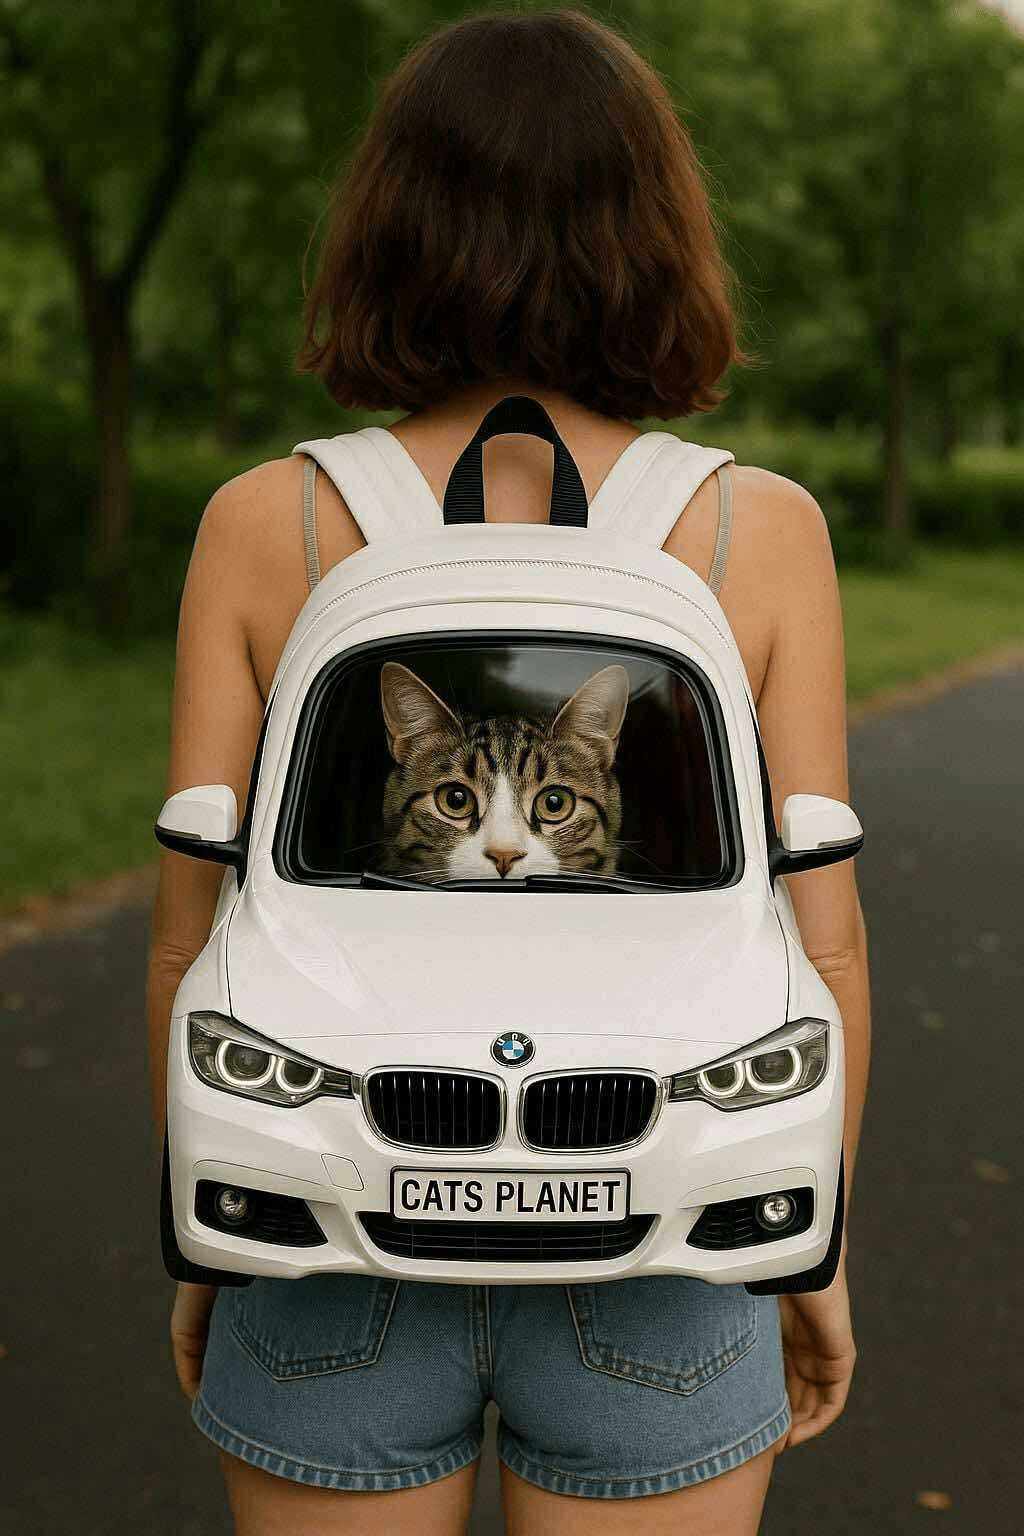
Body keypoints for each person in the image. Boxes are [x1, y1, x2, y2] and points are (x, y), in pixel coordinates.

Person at [145, 7, 869, 1533]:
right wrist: (807, 1254)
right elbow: (824, 941)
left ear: (391, 230)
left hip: (333, 1217)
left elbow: (191, 936)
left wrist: (208, 1239)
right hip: (666, 1234)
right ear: (658, 235)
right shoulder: (764, 534)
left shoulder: (262, 523)